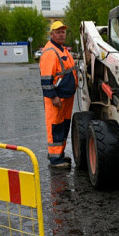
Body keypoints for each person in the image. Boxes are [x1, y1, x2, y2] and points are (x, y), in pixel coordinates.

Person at [40, 21, 78, 168]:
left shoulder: (62, 49)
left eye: (63, 31)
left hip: (65, 97)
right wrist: (53, 97)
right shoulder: (50, 52)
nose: (61, 34)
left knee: (63, 126)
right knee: (55, 126)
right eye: (58, 32)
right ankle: (55, 159)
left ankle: (59, 155)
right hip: (57, 99)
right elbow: (46, 80)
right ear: (52, 34)